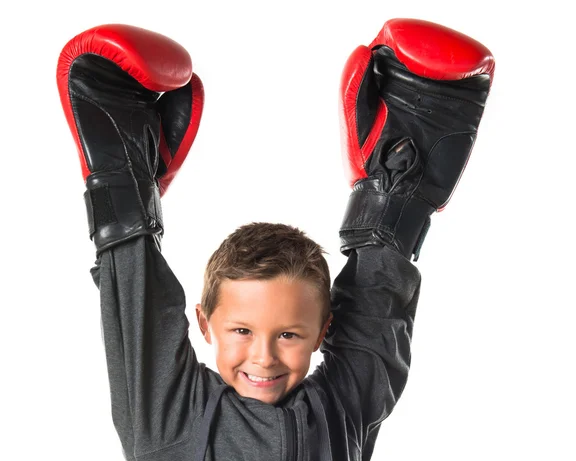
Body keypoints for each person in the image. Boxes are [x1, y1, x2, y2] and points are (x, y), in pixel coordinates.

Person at [56, 18, 494, 461]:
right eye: (242, 330)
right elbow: (138, 303)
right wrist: (122, 183)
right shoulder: (169, 420)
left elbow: (375, 316)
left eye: (288, 334)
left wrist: (393, 197)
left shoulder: (339, 412)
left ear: (325, 330)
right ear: (205, 323)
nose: (263, 358)